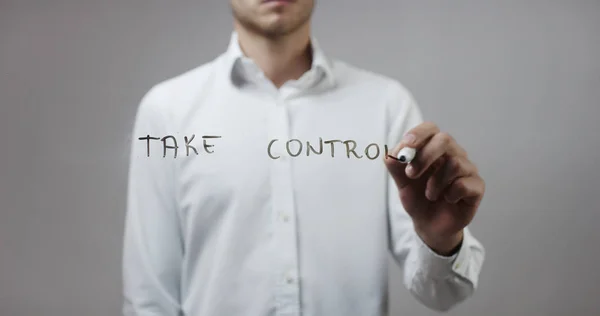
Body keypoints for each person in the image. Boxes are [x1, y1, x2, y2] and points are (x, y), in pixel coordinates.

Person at [122, 0, 486, 315]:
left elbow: (444, 293)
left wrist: (441, 240)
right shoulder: (167, 113)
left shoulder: (386, 106)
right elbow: (149, 299)